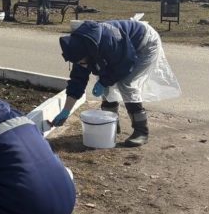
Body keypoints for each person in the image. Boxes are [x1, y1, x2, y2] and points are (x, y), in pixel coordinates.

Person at [50, 19, 181, 147]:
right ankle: (111, 125)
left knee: (126, 84)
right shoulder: (80, 50)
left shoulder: (109, 41)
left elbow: (125, 65)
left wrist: (104, 81)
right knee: (106, 84)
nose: (81, 65)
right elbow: (77, 81)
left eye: (82, 62)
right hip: (124, 49)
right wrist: (66, 111)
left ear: (88, 53)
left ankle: (141, 131)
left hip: (145, 43)